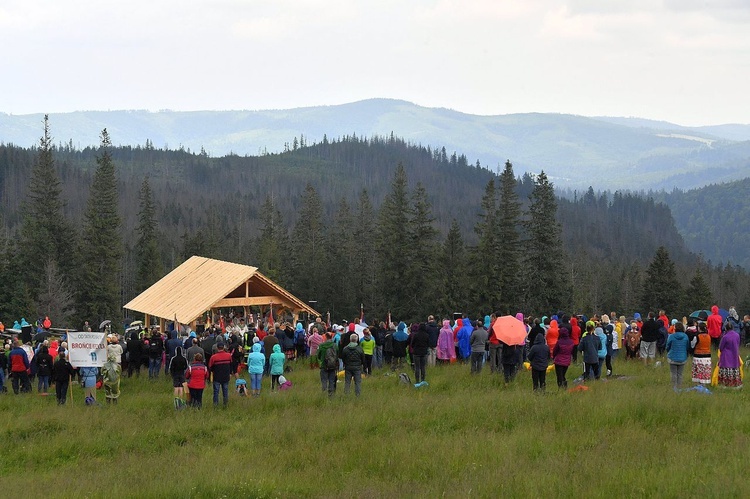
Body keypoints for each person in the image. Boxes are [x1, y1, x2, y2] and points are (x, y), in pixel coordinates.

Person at [717, 322, 742, 388]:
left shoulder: (725, 337)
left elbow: (721, 347)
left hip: (726, 355)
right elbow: (738, 343)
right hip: (735, 353)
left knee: (725, 368)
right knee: (734, 368)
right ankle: (735, 384)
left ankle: (725, 384)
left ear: (726, 328)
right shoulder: (737, 335)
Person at [665, 322, 689, 390]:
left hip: (672, 357)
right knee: (680, 374)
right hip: (682, 358)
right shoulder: (685, 336)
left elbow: (667, 346)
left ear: (675, 328)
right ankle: (679, 387)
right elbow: (687, 347)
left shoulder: (671, 336)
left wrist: (669, 351)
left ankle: (674, 388)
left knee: (673, 373)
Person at [208, 342, 232, 407]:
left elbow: (210, 367)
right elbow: (231, 365)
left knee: (216, 392)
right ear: (223, 347)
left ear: (217, 348)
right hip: (226, 376)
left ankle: (215, 405)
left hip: (217, 377)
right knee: (225, 391)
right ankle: (225, 404)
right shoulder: (228, 355)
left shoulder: (213, 357)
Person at [317, 332, 338, 397]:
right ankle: (331, 395)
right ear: (331, 337)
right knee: (331, 381)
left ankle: (323, 394)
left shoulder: (321, 345)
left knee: (324, 381)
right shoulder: (334, 345)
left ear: (325, 337)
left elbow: (318, 356)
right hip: (332, 365)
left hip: (324, 365)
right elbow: (337, 354)